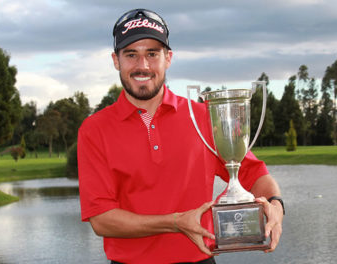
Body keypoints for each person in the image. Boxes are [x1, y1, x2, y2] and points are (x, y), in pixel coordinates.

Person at [77, 8, 284, 264]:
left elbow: (253, 173)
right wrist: (176, 222)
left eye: (152, 54)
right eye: (131, 54)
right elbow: (102, 220)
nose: (143, 65)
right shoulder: (94, 128)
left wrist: (275, 205)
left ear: (168, 58)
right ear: (116, 60)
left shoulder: (204, 116)